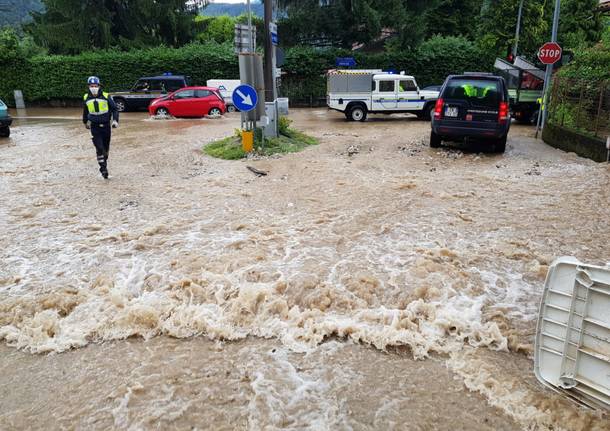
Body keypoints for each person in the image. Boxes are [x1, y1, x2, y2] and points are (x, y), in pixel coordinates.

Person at [82, 76, 119, 179]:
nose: (94, 87)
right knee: (99, 148)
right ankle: (103, 169)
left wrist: (115, 120)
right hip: (94, 127)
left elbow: (115, 109)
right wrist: (85, 122)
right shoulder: (86, 97)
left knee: (105, 150)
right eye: (91, 86)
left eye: (95, 86)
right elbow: (85, 111)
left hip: (106, 126)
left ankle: (104, 164)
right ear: (88, 86)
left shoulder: (106, 96)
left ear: (99, 86)